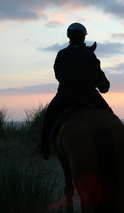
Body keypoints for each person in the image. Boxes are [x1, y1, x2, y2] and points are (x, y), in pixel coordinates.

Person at [39, 22, 112, 159]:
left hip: (65, 94)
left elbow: (57, 75)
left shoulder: (61, 54)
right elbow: (94, 75)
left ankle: (44, 148)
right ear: (83, 38)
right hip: (89, 93)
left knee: (48, 117)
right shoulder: (90, 56)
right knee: (110, 114)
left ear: (69, 36)